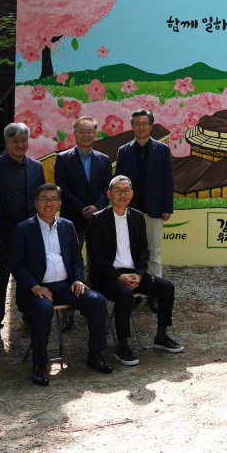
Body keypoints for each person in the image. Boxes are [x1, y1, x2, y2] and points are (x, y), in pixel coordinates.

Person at [10, 184, 113, 386]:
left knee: (97, 301)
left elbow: (76, 257)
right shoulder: (22, 229)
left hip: (66, 286)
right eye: (44, 199)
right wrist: (34, 287)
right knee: (43, 309)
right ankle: (40, 364)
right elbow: (17, 264)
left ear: (59, 203)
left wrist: (78, 279)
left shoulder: (67, 225)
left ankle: (95, 354)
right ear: (35, 202)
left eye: (53, 199)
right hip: (37, 290)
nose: (49, 203)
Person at [87, 176, 185, 365]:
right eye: (117, 190)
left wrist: (139, 274)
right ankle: (122, 346)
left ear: (132, 194)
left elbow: (143, 249)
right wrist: (118, 276)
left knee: (166, 287)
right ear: (109, 194)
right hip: (107, 276)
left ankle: (161, 337)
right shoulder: (98, 219)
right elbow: (95, 256)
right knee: (125, 294)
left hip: (134, 273)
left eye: (126, 190)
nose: (122, 194)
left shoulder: (137, 217)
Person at [53, 115, 112, 332]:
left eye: (90, 131)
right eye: (82, 131)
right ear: (75, 133)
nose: (86, 135)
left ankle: (94, 306)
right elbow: (62, 188)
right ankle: (68, 311)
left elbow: (107, 187)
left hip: (97, 219)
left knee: (96, 263)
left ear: (95, 134)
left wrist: (96, 207)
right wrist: (82, 208)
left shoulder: (104, 159)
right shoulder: (63, 158)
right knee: (71, 264)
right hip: (72, 218)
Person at [0, 122, 45, 343]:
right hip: (1, 232)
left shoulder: (36, 167)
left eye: (23, 140)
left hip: (28, 233)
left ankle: (29, 318)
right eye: (15, 141)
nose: (20, 145)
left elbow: (39, 199)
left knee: (28, 278)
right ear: (7, 143)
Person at [116, 109, 174, 312]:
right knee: (129, 252)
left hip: (155, 209)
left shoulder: (162, 150)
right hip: (129, 210)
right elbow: (118, 182)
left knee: (154, 252)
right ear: (132, 126)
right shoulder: (123, 151)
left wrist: (167, 207)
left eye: (145, 123)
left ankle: (154, 292)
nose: (141, 127)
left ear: (151, 126)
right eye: (137, 123)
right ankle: (132, 292)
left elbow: (168, 180)